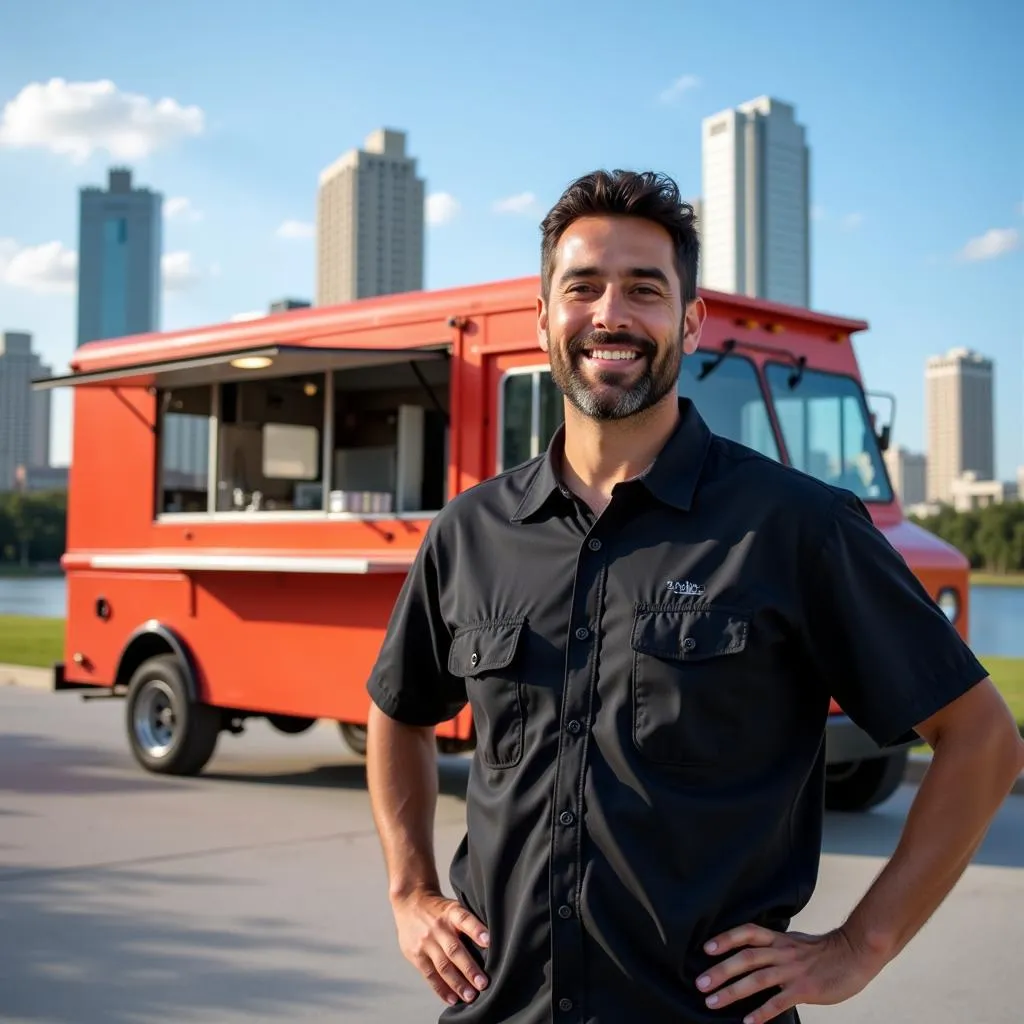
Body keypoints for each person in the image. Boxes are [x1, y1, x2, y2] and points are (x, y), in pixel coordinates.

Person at [364, 169, 1024, 1024]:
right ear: (543, 320)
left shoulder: (796, 526)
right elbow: (399, 709)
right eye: (583, 288)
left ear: (689, 319)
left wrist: (859, 947)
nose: (611, 314)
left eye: (644, 288)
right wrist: (409, 889)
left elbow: (981, 740)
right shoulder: (470, 530)